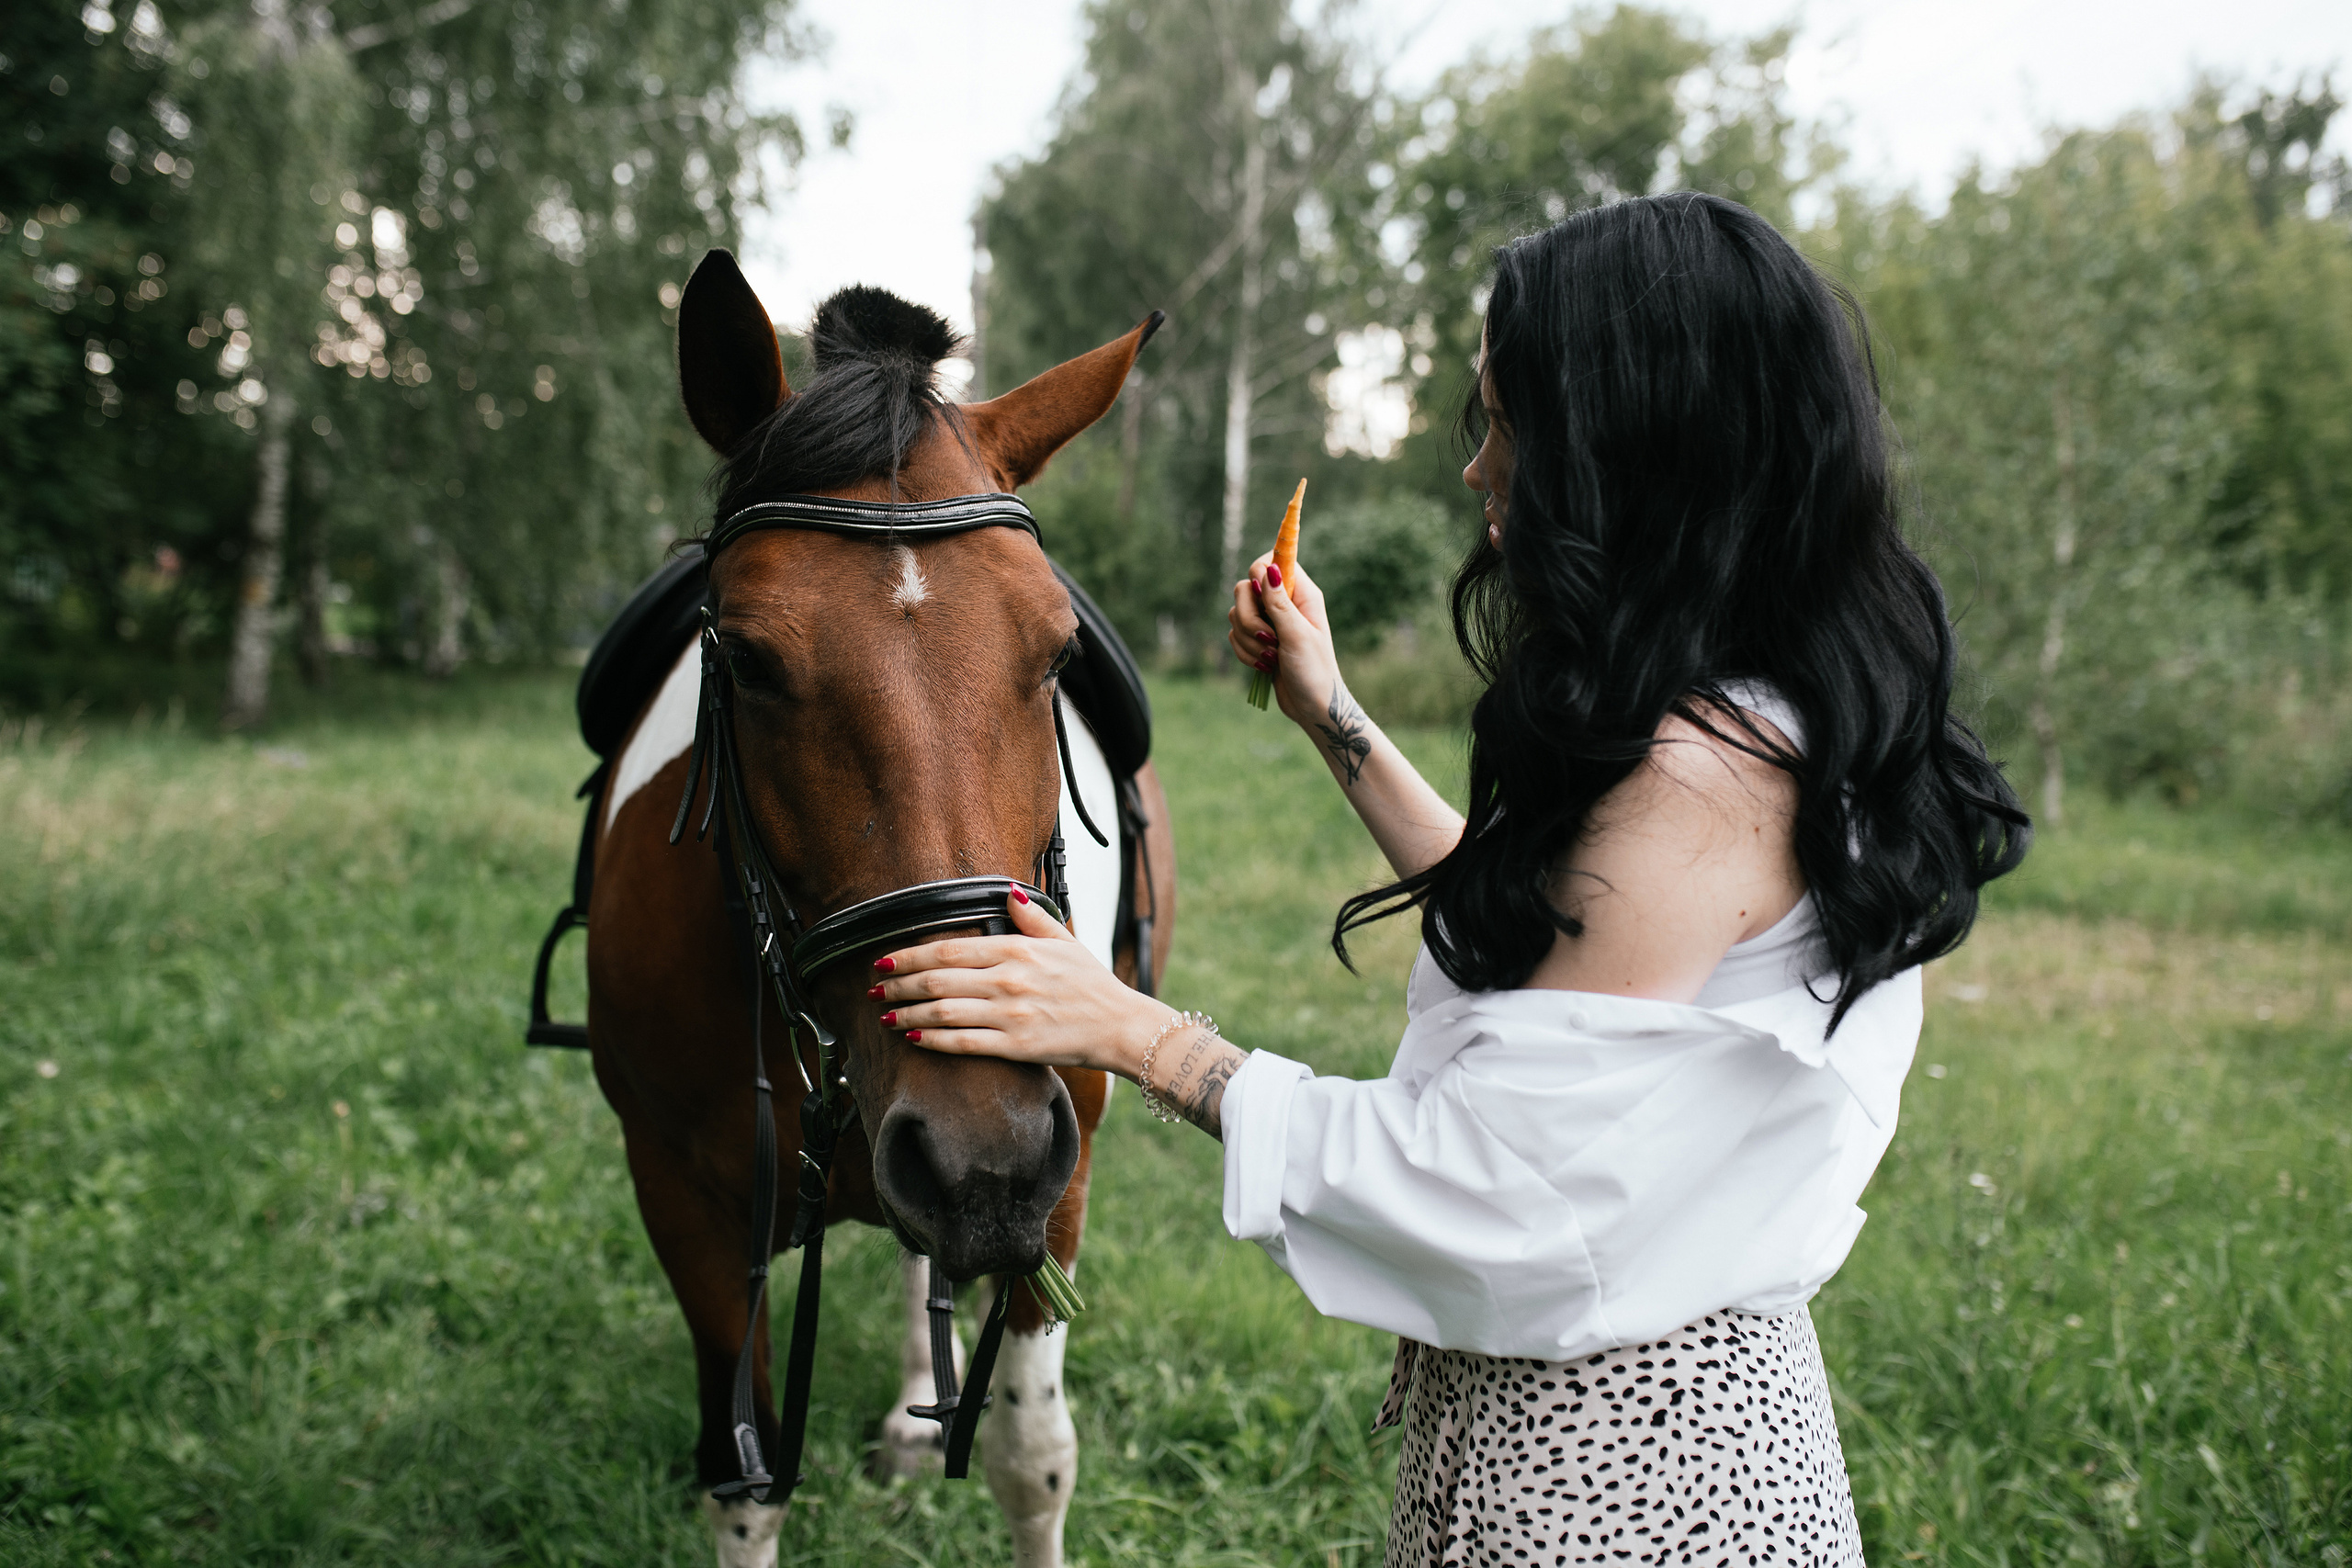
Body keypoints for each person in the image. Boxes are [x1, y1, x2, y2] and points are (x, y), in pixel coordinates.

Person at [872, 192, 2030, 1566]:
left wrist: (1127, 1027)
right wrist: (1331, 714)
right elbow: (1553, 929)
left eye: (1503, 423)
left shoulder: (1704, 774)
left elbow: (1488, 1182)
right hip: (1623, 1417)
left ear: (1626, 449)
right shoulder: (1749, 724)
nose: (1480, 472)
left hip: (1619, 1483)